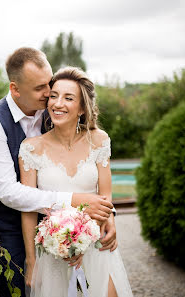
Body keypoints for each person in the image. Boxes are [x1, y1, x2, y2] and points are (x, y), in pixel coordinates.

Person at [0, 48, 117, 297]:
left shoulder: (55, 108)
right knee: (19, 290)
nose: (50, 95)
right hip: (13, 228)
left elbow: (95, 175)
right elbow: (9, 192)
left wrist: (107, 215)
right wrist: (73, 201)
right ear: (15, 89)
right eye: (41, 88)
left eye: (49, 83)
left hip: (77, 229)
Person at [19, 66, 133, 297]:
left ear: (82, 108)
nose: (57, 103)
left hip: (96, 245)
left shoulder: (99, 141)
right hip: (53, 252)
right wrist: (31, 262)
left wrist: (103, 223)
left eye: (68, 98)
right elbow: (28, 208)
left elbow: (106, 195)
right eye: (54, 95)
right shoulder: (31, 148)